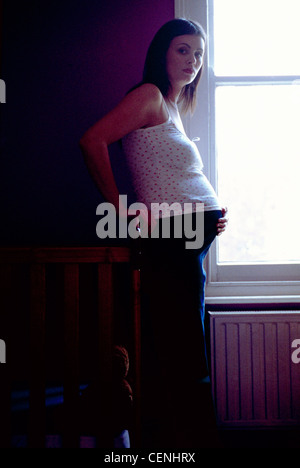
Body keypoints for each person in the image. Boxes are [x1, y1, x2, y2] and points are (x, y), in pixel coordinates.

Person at [80, 18, 228, 448]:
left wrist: (208, 215)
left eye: (198, 54)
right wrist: (119, 207)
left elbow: (176, 177)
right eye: (183, 50)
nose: (192, 61)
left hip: (186, 241)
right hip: (170, 239)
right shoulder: (147, 97)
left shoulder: (173, 108)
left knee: (185, 348)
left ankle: (184, 443)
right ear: (162, 51)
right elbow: (92, 140)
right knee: (184, 355)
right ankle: (188, 447)